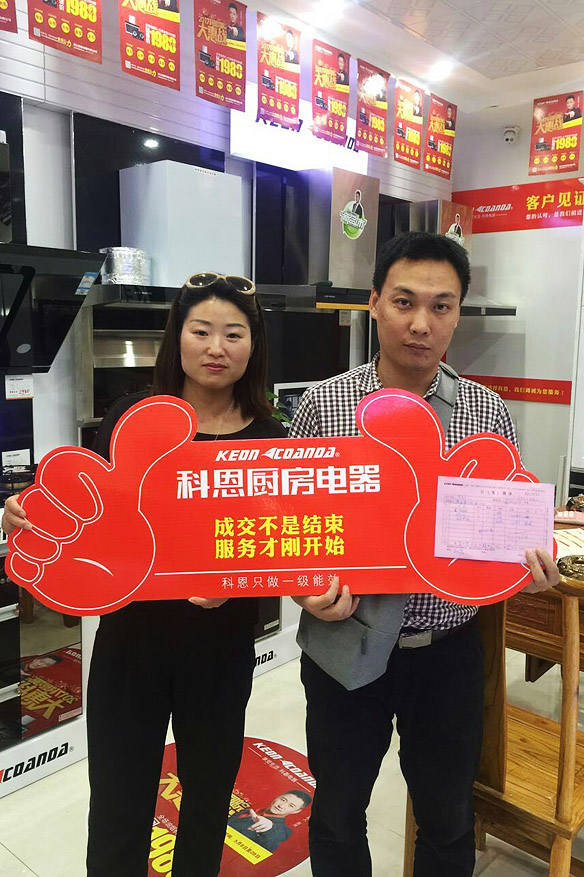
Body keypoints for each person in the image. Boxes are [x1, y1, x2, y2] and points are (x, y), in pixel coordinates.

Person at [288, 232, 559, 877]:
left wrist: (525, 568)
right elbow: (291, 530)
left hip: (448, 654)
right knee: (337, 815)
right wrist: (304, 587)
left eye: (441, 306)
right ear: (374, 302)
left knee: (447, 819)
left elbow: (501, 529)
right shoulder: (323, 406)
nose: (420, 324)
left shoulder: (486, 413)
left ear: (458, 313)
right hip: (344, 644)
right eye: (405, 301)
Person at [2, 273, 286, 877]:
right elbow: (92, 513)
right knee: (118, 802)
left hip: (222, 647)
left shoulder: (270, 436)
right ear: (177, 337)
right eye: (201, 331)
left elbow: (278, 549)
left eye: (234, 334)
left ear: (253, 345)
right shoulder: (133, 416)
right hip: (131, 640)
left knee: (209, 799)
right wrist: (31, 514)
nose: (216, 347)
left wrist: (236, 582)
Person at [228, 790, 313, 852]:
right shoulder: (249, 810)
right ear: (278, 797)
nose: (281, 806)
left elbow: (274, 838)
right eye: (283, 800)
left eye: (291, 806)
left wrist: (270, 828)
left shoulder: (282, 830)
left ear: (296, 811)